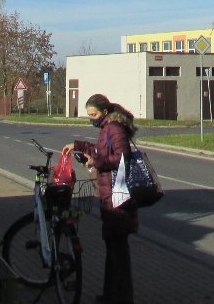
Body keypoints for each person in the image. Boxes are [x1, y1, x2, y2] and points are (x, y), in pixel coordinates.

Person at [62, 93, 138, 304]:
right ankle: (111, 294)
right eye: (89, 115)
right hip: (109, 194)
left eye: (93, 115)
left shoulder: (114, 128)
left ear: (104, 112)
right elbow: (100, 150)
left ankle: (120, 297)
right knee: (113, 249)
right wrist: (78, 145)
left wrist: (95, 162)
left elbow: (122, 158)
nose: (91, 119)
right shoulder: (107, 127)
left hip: (118, 196)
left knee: (117, 251)